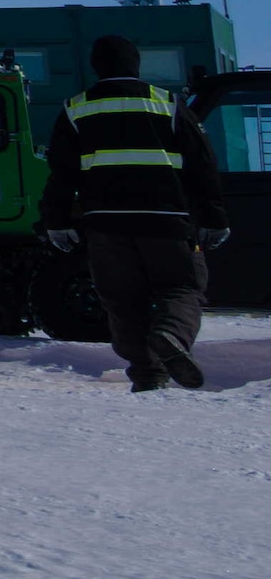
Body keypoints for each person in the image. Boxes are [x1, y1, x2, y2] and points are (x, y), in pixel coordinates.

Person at [50, 35, 227, 394]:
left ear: (96, 66)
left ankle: (148, 373)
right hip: (167, 220)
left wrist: (57, 221)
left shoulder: (75, 108)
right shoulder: (168, 105)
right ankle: (170, 335)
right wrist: (214, 216)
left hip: (105, 225)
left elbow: (61, 174)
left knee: (122, 299)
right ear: (136, 64)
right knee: (181, 287)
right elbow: (202, 165)